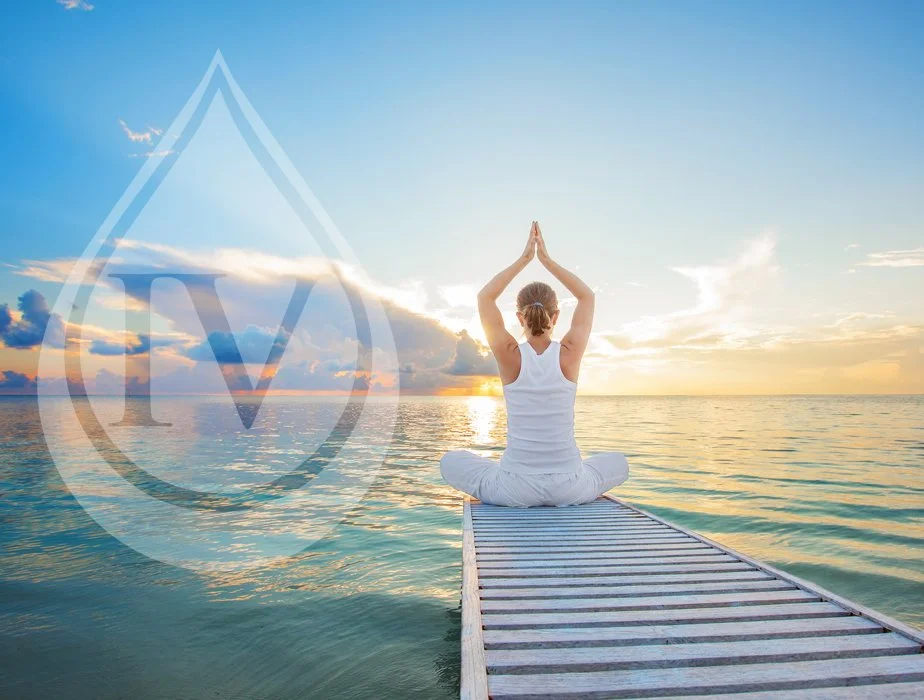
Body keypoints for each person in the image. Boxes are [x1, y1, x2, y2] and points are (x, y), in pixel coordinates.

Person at [440, 221, 629, 507]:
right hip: (569, 486)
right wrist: (546, 260)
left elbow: (485, 298)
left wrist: (525, 258)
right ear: (556, 316)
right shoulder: (569, 352)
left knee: (450, 461)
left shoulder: (510, 354)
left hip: (515, 488)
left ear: (520, 317)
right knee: (619, 463)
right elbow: (587, 297)